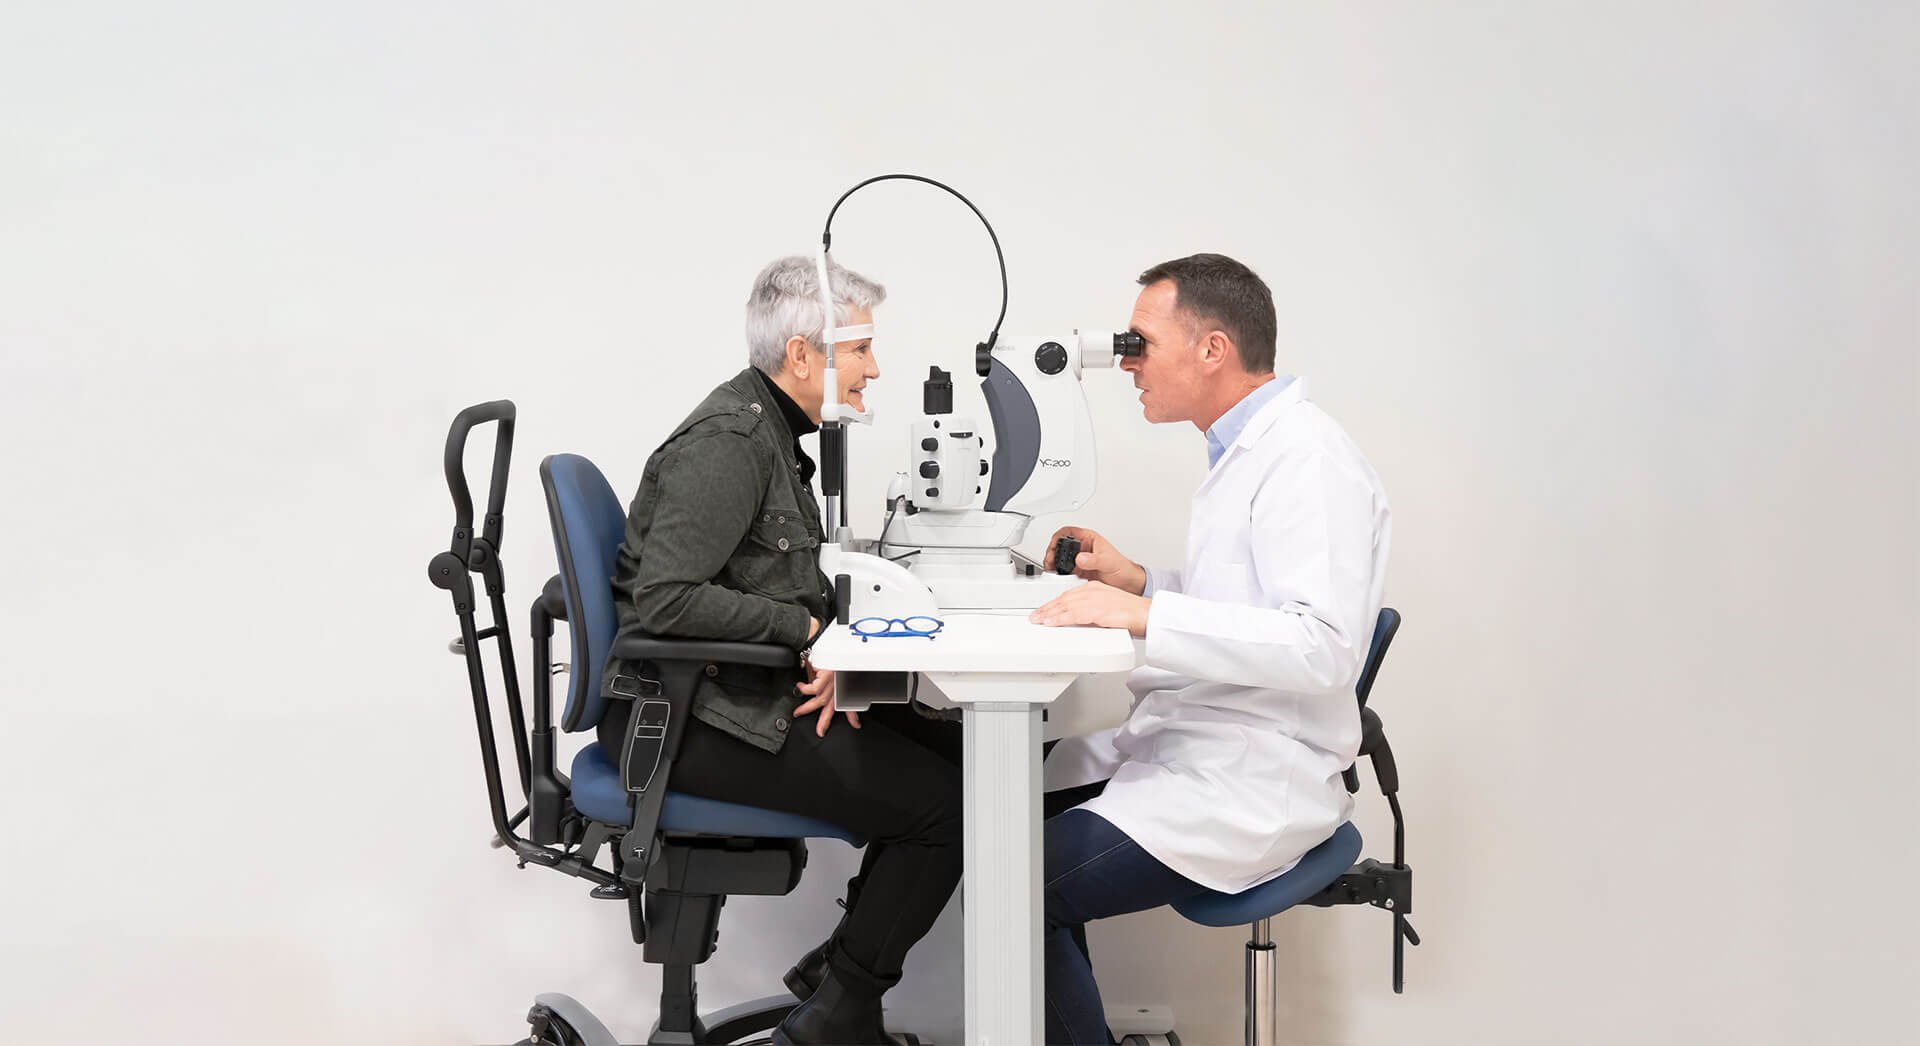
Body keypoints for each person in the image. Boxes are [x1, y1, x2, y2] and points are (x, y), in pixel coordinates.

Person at [597, 255, 962, 1046]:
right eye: (860, 349)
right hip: (683, 723)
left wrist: (835, 638)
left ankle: (835, 975)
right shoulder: (729, 442)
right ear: (803, 356)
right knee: (950, 809)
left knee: (971, 761)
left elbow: (770, 577)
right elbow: (667, 599)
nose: (875, 368)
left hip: (727, 692)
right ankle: (837, 1012)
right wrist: (803, 635)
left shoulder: (772, 428)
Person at [1029, 253, 1392, 1044]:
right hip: (1204, 743)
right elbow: (1248, 605)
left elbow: (1322, 646)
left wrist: (1144, 615)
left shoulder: (1308, 459)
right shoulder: (1244, 450)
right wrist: (1137, 580)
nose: (1129, 363)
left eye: (1141, 343)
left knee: (1015, 882)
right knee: (987, 808)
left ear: (1212, 349)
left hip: (1254, 779)